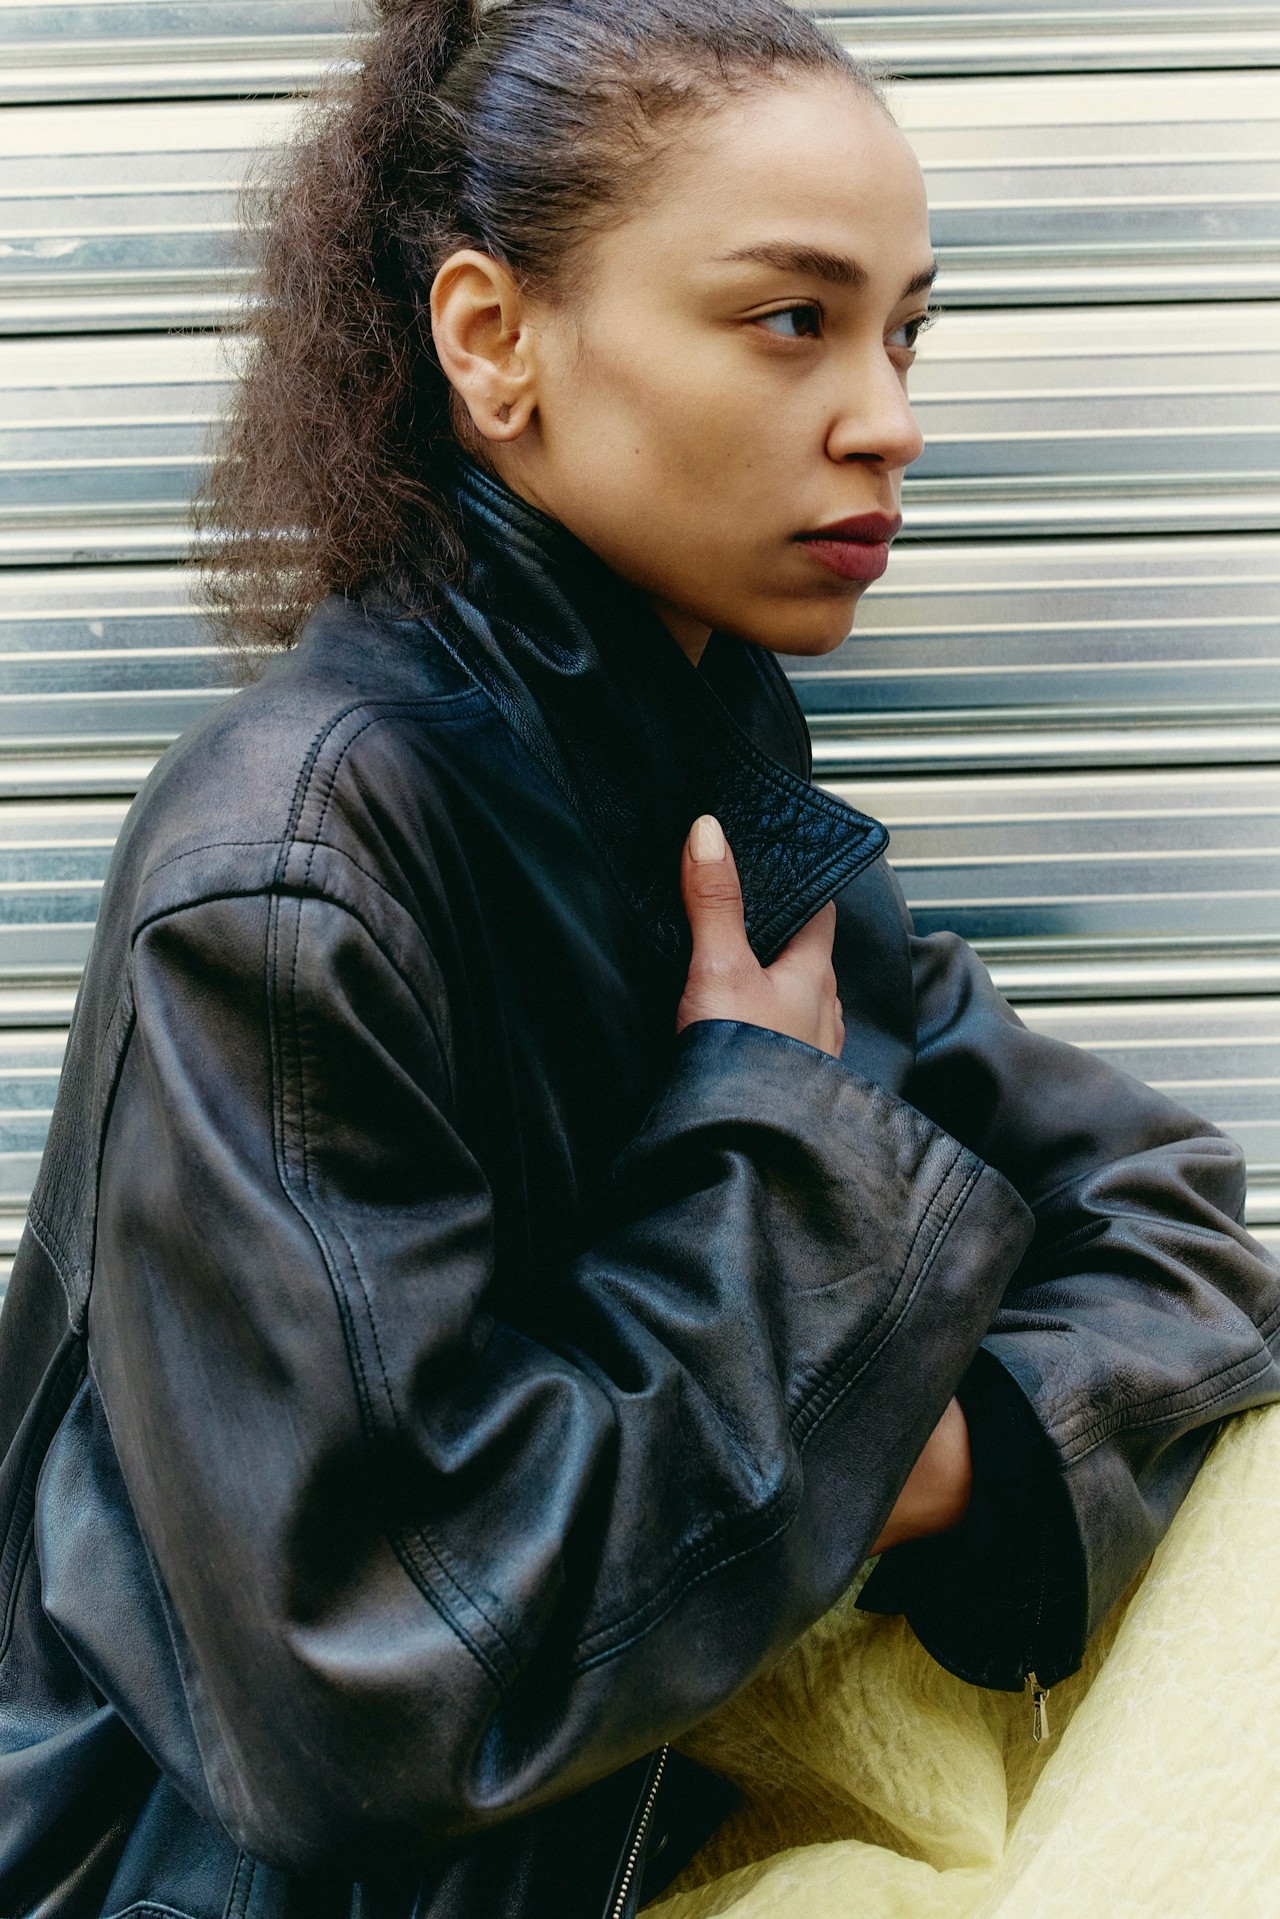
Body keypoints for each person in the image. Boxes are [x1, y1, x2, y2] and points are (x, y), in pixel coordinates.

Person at [0, 1, 1276, 1914]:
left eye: (906, 327)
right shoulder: (292, 871)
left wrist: (925, 1465)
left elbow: (1171, 1226)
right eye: (792, 320)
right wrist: (759, 1135)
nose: (890, 416)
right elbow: (386, 1686)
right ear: (494, 342)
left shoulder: (710, 774)